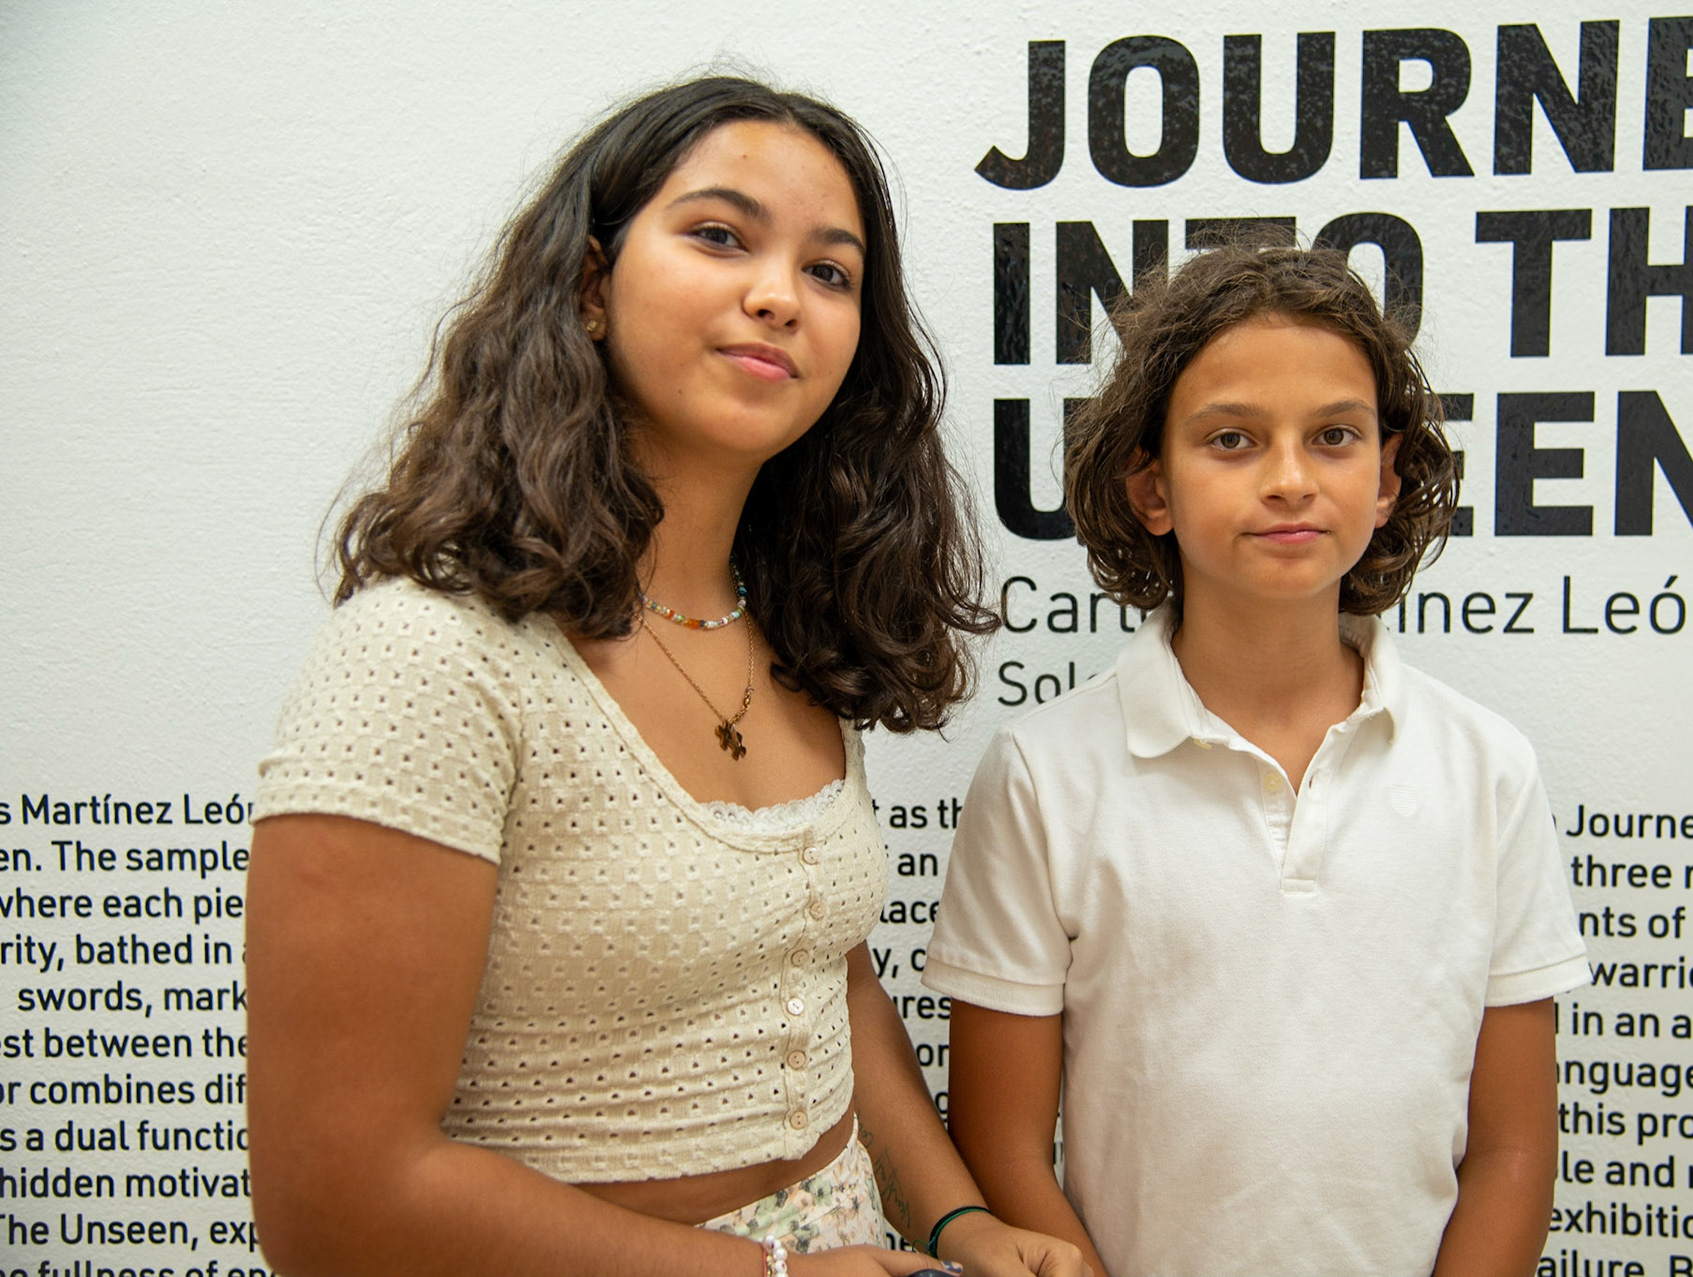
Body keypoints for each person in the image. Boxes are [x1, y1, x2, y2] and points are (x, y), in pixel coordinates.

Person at [246, 76, 1088, 1277]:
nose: (778, 295)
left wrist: (960, 1220)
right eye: (720, 236)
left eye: (829, 271)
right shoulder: (429, 657)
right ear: (590, 286)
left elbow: (827, 981)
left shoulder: (791, 632)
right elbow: (337, 1201)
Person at [925, 245, 1589, 1277]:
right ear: (1152, 486)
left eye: (1334, 436)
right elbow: (1002, 1145)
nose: (1289, 480)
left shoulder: (1488, 768)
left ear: (1386, 480)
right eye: (1232, 438)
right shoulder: (1041, 776)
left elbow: (1512, 1147)